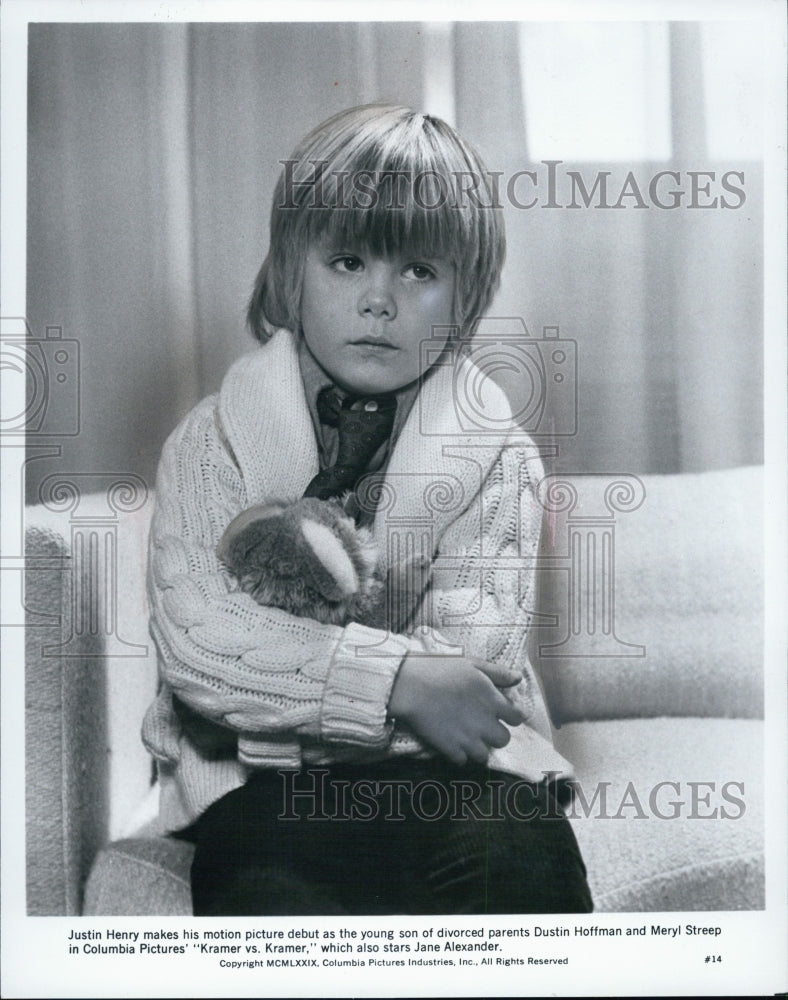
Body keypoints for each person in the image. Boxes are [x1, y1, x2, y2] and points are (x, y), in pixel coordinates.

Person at [142, 104, 592, 916]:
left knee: (524, 873)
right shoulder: (210, 441)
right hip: (263, 790)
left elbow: (473, 670)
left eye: (419, 272)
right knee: (265, 898)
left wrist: (285, 701)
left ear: (467, 296)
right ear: (292, 273)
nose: (379, 300)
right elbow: (201, 649)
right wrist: (396, 680)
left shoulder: (498, 452)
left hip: (459, 779)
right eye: (347, 261)